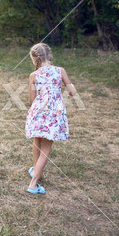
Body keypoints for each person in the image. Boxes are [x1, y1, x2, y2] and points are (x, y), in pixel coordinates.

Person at [25, 43, 77, 194]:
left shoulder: (33, 75)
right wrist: (69, 85)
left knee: (37, 140)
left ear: (35, 59)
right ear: (49, 56)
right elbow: (72, 92)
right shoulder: (60, 71)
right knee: (46, 148)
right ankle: (33, 184)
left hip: (38, 112)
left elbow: (32, 100)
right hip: (53, 115)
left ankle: (36, 171)